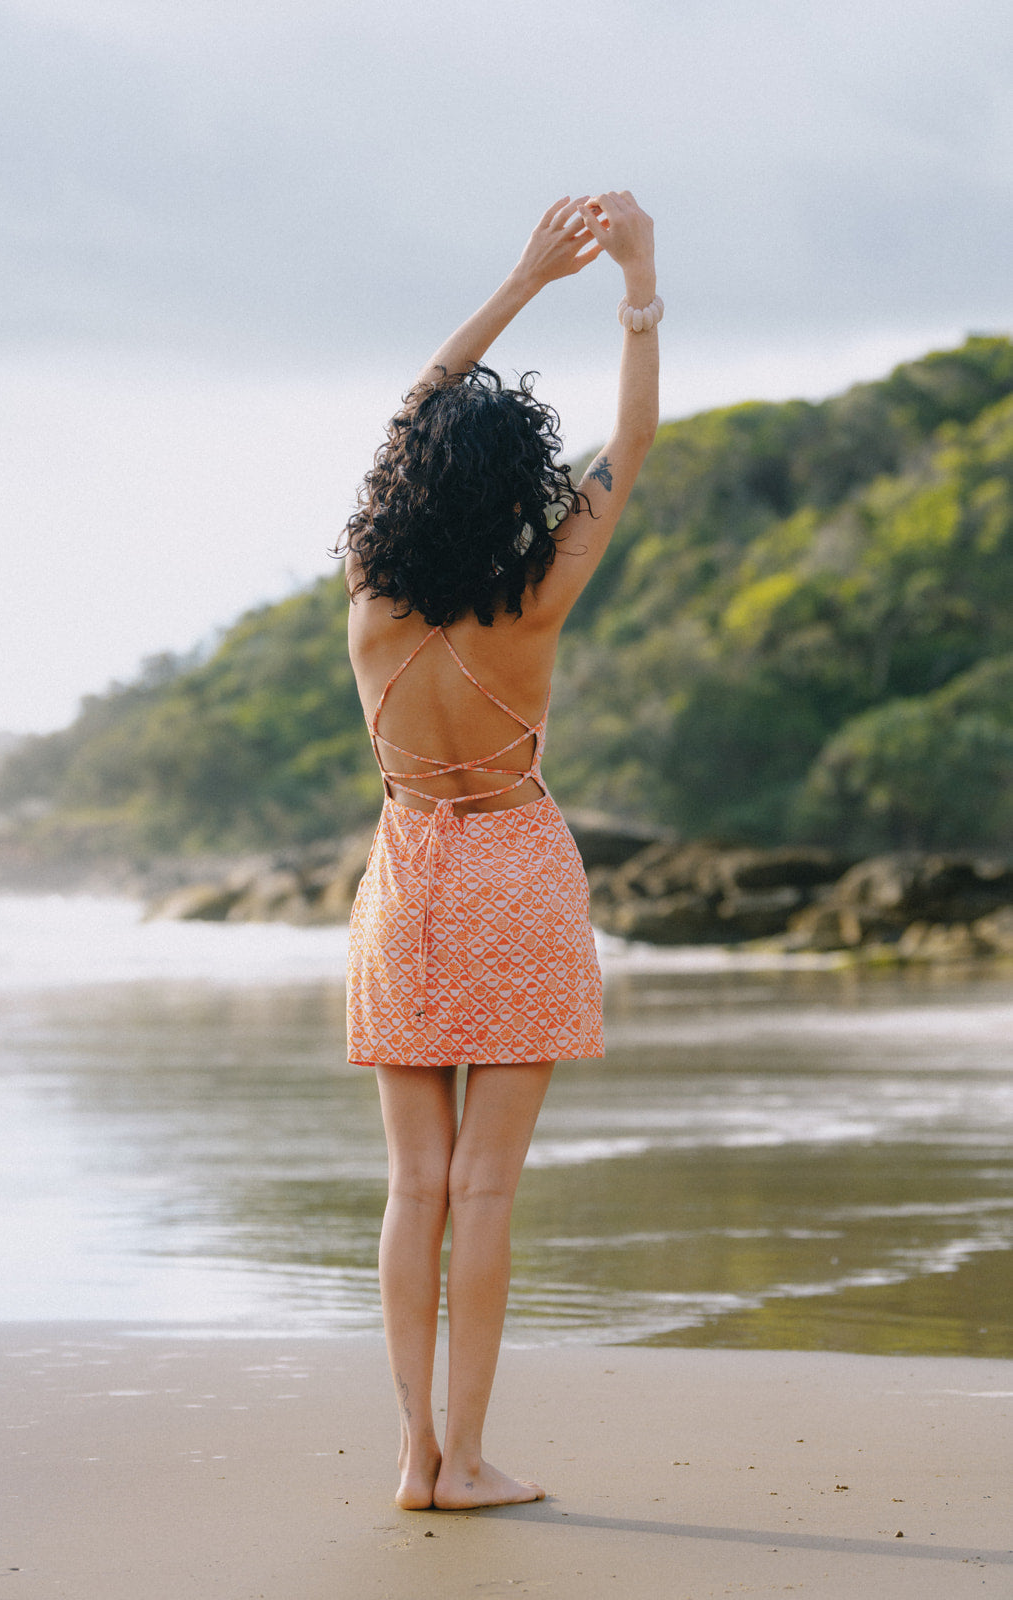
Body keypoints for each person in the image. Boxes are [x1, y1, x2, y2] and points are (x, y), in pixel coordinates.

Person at [338, 192, 660, 1511]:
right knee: (488, 1188)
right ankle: (467, 1456)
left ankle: (415, 1459)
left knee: (417, 1185)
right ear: (517, 477)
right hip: (517, 872)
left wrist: (523, 279)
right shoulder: (536, 596)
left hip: (406, 878)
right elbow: (630, 445)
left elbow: (417, 409)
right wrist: (638, 284)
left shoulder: (368, 597)